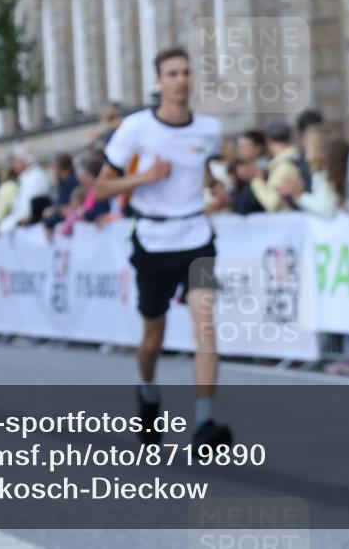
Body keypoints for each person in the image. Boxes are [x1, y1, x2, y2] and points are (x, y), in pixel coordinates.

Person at [93, 46, 231, 452]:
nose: (180, 81)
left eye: (186, 73)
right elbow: (101, 187)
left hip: (198, 239)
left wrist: (216, 187)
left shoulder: (208, 129)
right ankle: (148, 390)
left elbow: (202, 168)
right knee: (153, 337)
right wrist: (145, 177)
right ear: (158, 82)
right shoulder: (136, 128)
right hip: (153, 241)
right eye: (172, 74)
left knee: (205, 326)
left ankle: (204, 422)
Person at [250, 121, 303, 212]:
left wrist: (256, 179)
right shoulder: (294, 157)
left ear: (268, 140)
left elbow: (271, 203)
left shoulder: (285, 165)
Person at [0, 144, 50, 233]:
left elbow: (25, 213)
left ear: (22, 162)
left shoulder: (34, 178)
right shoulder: (29, 177)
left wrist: (3, 228)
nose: (13, 165)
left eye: (15, 161)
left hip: (31, 231)